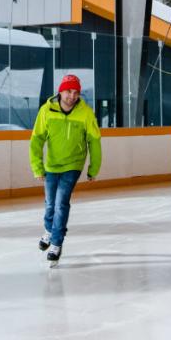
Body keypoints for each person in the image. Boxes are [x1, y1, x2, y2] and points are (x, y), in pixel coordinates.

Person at [29, 74, 102, 264]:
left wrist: (93, 168)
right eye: (69, 91)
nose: (72, 96)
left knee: (61, 203)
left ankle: (56, 243)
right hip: (52, 165)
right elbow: (36, 140)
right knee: (50, 203)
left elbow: (94, 141)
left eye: (76, 92)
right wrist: (37, 167)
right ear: (61, 91)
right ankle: (49, 230)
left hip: (73, 164)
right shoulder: (47, 111)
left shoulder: (85, 113)